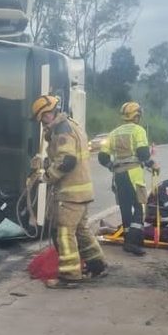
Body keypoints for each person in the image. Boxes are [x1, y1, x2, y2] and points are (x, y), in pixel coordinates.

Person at [30, 95, 108, 288]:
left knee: (64, 234)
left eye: (43, 117)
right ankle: (97, 266)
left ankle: (70, 276)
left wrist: (45, 177)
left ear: (50, 112)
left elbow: (67, 161)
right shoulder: (72, 125)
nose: (43, 122)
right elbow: (65, 157)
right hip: (82, 191)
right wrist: (46, 163)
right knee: (81, 231)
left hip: (70, 193)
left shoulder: (62, 130)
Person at [97, 102, 159, 256]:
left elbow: (102, 156)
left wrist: (111, 165)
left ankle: (129, 239)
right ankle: (132, 242)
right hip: (134, 175)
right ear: (136, 116)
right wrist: (153, 165)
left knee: (125, 208)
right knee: (139, 208)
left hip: (118, 176)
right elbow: (143, 154)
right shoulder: (138, 130)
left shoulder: (114, 133)